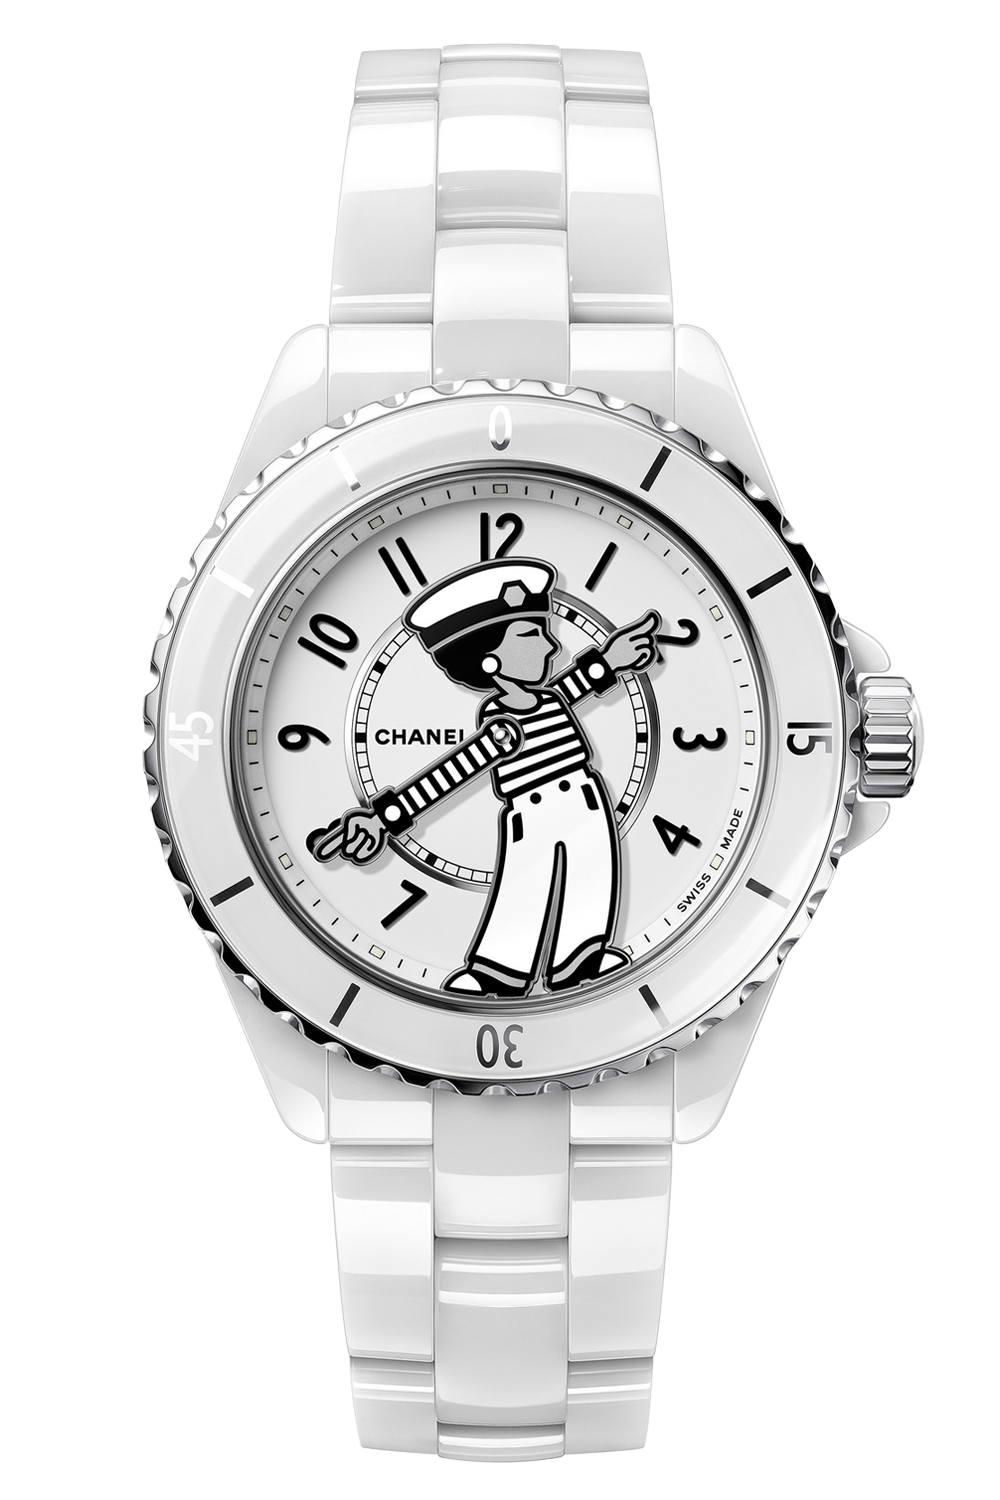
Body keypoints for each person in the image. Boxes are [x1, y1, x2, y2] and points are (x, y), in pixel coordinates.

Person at [311, 559, 659, 997]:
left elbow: (576, 684)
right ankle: (498, 970)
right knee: (525, 888)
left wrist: (611, 659)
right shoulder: (502, 725)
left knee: (591, 877)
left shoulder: (549, 698)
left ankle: (582, 957)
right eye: (532, 635)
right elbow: (453, 772)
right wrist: (383, 818)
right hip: (532, 816)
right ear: (490, 661)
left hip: (587, 807)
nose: (553, 646)